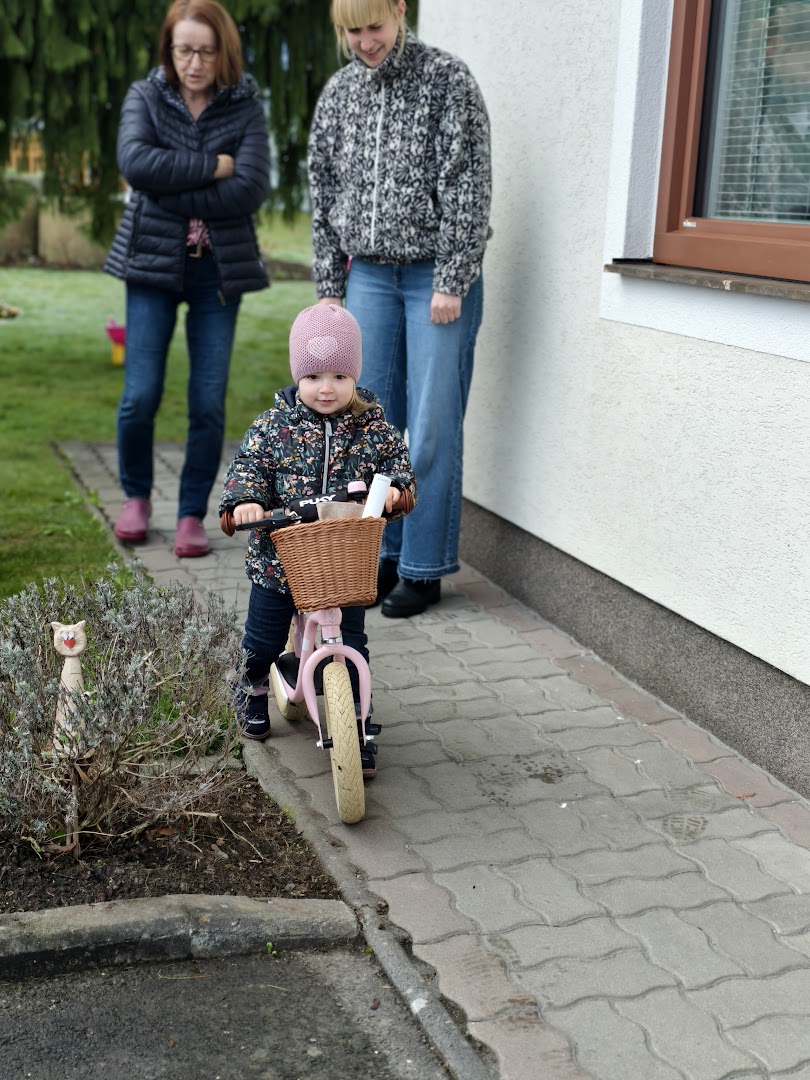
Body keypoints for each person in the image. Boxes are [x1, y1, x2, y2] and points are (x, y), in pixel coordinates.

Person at [307, 0, 492, 618]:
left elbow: (467, 180)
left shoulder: (447, 79)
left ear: (399, 11)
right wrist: (330, 285)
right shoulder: (338, 93)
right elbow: (324, 187)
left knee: (433, 423)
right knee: (368, 421)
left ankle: (423, 566)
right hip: (370, 278)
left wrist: (453, 276)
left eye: (374, 26)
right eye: (352, 31)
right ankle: (376, 556)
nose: (364, 41)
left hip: (437, 279)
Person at [218, 304, 416, 776]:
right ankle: (252, 687)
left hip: (343, 560)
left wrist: (394, 492)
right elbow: (248, 468)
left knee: (353, 640)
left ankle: (359, 720)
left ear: (354, 376)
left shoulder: (372, 427)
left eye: (338, 376)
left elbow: (398, 466)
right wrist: (245, 501)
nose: (326, 388)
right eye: (312, 376)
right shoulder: (274, 427)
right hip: (279, 558)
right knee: (262, 639)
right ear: (296, 376)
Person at [104, 0, 270, 558]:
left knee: (207, 401)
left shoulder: (245, 106)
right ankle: (135, 497)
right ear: (169, 51)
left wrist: (171, 183)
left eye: (205, 50)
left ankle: (191, 514)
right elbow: (135, 164)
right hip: (150, 267)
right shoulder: (145, 96)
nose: (194, 63)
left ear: (223, 51)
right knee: (139, 394)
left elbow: (249, 188)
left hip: (217, 273)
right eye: (184, 50)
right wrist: (213, 166)